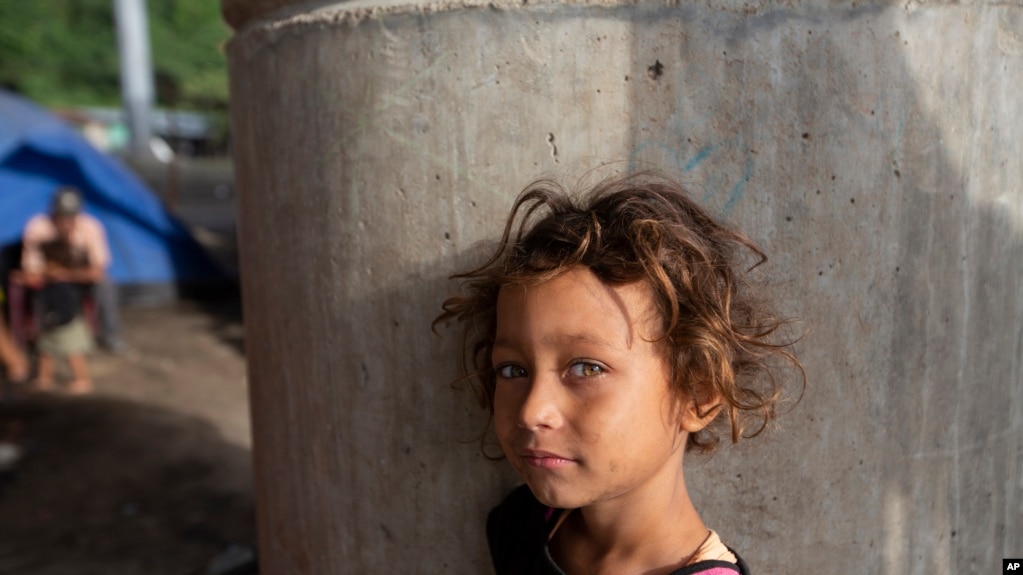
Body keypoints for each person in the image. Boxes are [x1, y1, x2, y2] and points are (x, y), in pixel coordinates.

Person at [437, 172, 804, 575]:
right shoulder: (520, 525)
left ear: (698, 394)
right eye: (513, 369)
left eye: (587, 368)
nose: (530, 411)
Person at [21, 186, 124, 352]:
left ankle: (110, 335)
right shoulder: (38, 227)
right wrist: (51, 273)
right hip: (50, 280)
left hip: (79, 277)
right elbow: (31, 269)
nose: (66, 223)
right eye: (61, 217)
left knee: (106, 286)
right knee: (45, 291)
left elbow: (97, 270)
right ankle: (41, 338)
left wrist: (65, 274)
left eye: (71, 217)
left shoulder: (91, 227)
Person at [29, 237, 95, 394]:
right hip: (50, 324)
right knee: (45, 352)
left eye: (49, 264)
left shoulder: (66, 287)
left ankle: (82, 380)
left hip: (68, 325)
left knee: (73, 354)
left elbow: (69, 307)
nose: (45, 267)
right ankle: (45, 379)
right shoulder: (47, 283)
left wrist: (58, 318)